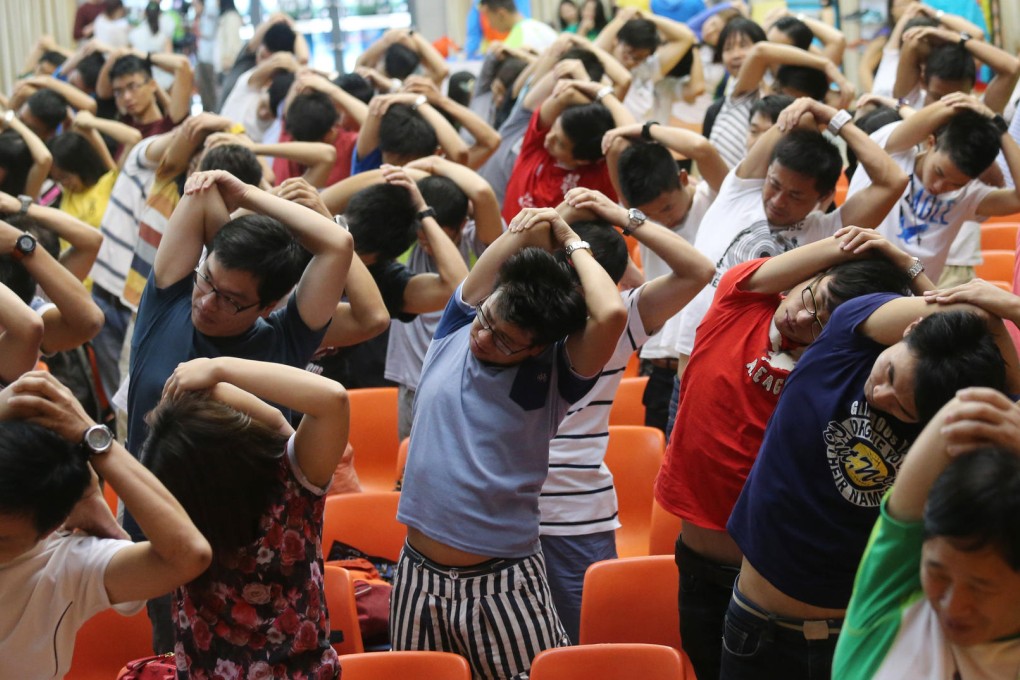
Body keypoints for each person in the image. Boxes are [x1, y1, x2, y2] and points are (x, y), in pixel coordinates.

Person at [657, 226, 926, 680]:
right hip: (700, 565)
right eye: (810, 299)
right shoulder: (739, 301)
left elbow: (952, 336)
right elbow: (811, 267)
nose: (802, 320)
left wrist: (910, 270)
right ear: (806, 276)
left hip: (772, 583)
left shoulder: (841, 367)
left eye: (823, 322)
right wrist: (863, 247)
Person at [720, 277, 1020, 679]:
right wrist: (980, 310)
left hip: (858, 635)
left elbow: (1003, 400)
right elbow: (967, 312)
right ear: (908, 332)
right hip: (756, 626)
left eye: (903, 409)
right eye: (890, 373)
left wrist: (1005, 319)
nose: (881, 395)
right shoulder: (846, 338)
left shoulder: (940, 425)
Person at [391, 206, 628, 679]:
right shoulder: (457, 327)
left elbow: (612, 312)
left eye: (504, 341)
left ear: (536, 347)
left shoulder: (555, 375)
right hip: (417, 573)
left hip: (502, 582)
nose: (484, 338)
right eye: (487, 321)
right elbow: (515, 241)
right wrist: (541, 224)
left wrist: (570, 238)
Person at [125, 169, 353, 652]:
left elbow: (336, 245)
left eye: (231, 300)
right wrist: (226, 190)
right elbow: (199, 190)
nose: (206, 302)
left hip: (255, 555)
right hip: (161, 541)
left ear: (269, 303)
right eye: (207, 280)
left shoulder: (284, 337)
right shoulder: (167, 301)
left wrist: (251, 195)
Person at [538, 187, 714, 643]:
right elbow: (695, 269)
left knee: (588, 650)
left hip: (570, 515)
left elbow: (700, 270)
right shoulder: (528, 309)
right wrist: (587, 221)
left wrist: (605, 217)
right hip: (517, 515)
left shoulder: (611, 319)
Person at [144, 357, 350, 678]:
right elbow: (330, 399)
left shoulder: (180, 521)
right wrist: (218, 369)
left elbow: (278, 421)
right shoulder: (293, 489)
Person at [0, 370, 211, 679]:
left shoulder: (67, 563)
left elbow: (189, 555)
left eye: (2, 538)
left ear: (49, 527)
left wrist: (96, 440)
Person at [833, 386, 1020, 679]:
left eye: (981, 587)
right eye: (938, 574)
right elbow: (956, 419)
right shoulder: (889, 595)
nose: (952, 605)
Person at [845, 92, 1020, 282]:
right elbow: (933, 115)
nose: (939, 186)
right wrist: (970, 106)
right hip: (852, 282)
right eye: (939, 172)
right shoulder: (895, 152)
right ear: (931, 143)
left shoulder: (967, 196)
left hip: (911, 303)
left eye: (956, 184)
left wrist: (999, 128)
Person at [501, 77, 631, 224]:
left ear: (582, 160)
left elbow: (627, 139)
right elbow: (565, 96)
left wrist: (604, 93)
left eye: (560, 144)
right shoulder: (536, 146)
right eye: (553, 129)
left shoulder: (601, 178)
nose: (548, 139)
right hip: (502, 237)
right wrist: (595, 98)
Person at [478, 0, 558, 53]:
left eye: (488, 17)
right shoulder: (538, 26)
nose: (490, 25)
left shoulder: (516, 41)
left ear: (501, 14)